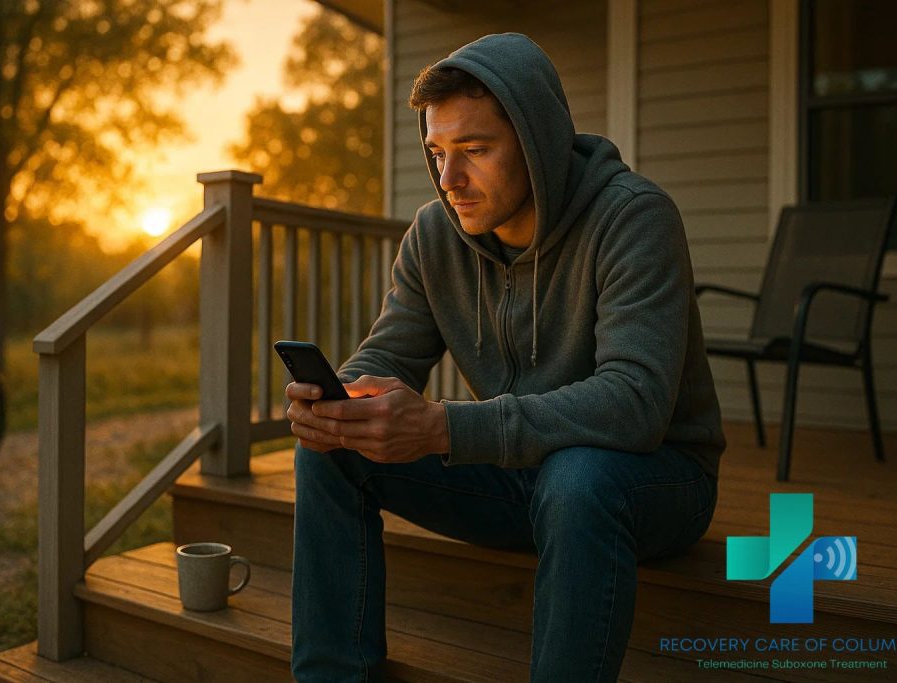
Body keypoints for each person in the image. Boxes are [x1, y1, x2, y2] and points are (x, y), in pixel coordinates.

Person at [285, 32, 725, 682]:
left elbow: (635, 404)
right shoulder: (437, 235)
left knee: (577, 478)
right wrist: (339, 405)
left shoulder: (634, 217)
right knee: (329, 450)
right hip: (516, 472)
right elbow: (387, 354)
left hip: (650, 479)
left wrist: (444, 424)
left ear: (538, 142)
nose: (449, 178)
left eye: (475, 150)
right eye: (437, 152)